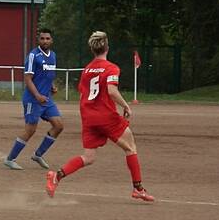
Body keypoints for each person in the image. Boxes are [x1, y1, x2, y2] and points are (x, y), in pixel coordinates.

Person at [45, 31, 154, 202]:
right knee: (130, 148)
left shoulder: (87, 69)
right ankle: (138, 188)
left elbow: (83, 94)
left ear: (92, 49)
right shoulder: (111, 68)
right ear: (107, 47)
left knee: (88, 157)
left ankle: (56, 176)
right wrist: (126, 106)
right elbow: (111, 90)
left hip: (88, 118)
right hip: (106, 117)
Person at [4, 28, 63, 170]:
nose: (45, 41)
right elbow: (28, 78)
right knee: (30, 130)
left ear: (51, 40)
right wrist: (37, 95)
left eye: (47, 38)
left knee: (58, 125)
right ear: (38, 40)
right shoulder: (33, 55)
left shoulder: (53, 55)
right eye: (42, 38)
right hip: (33, 99)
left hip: (46, 99)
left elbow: (48, 75)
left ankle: (38, 155)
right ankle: (10, 159)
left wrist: (52, 86)